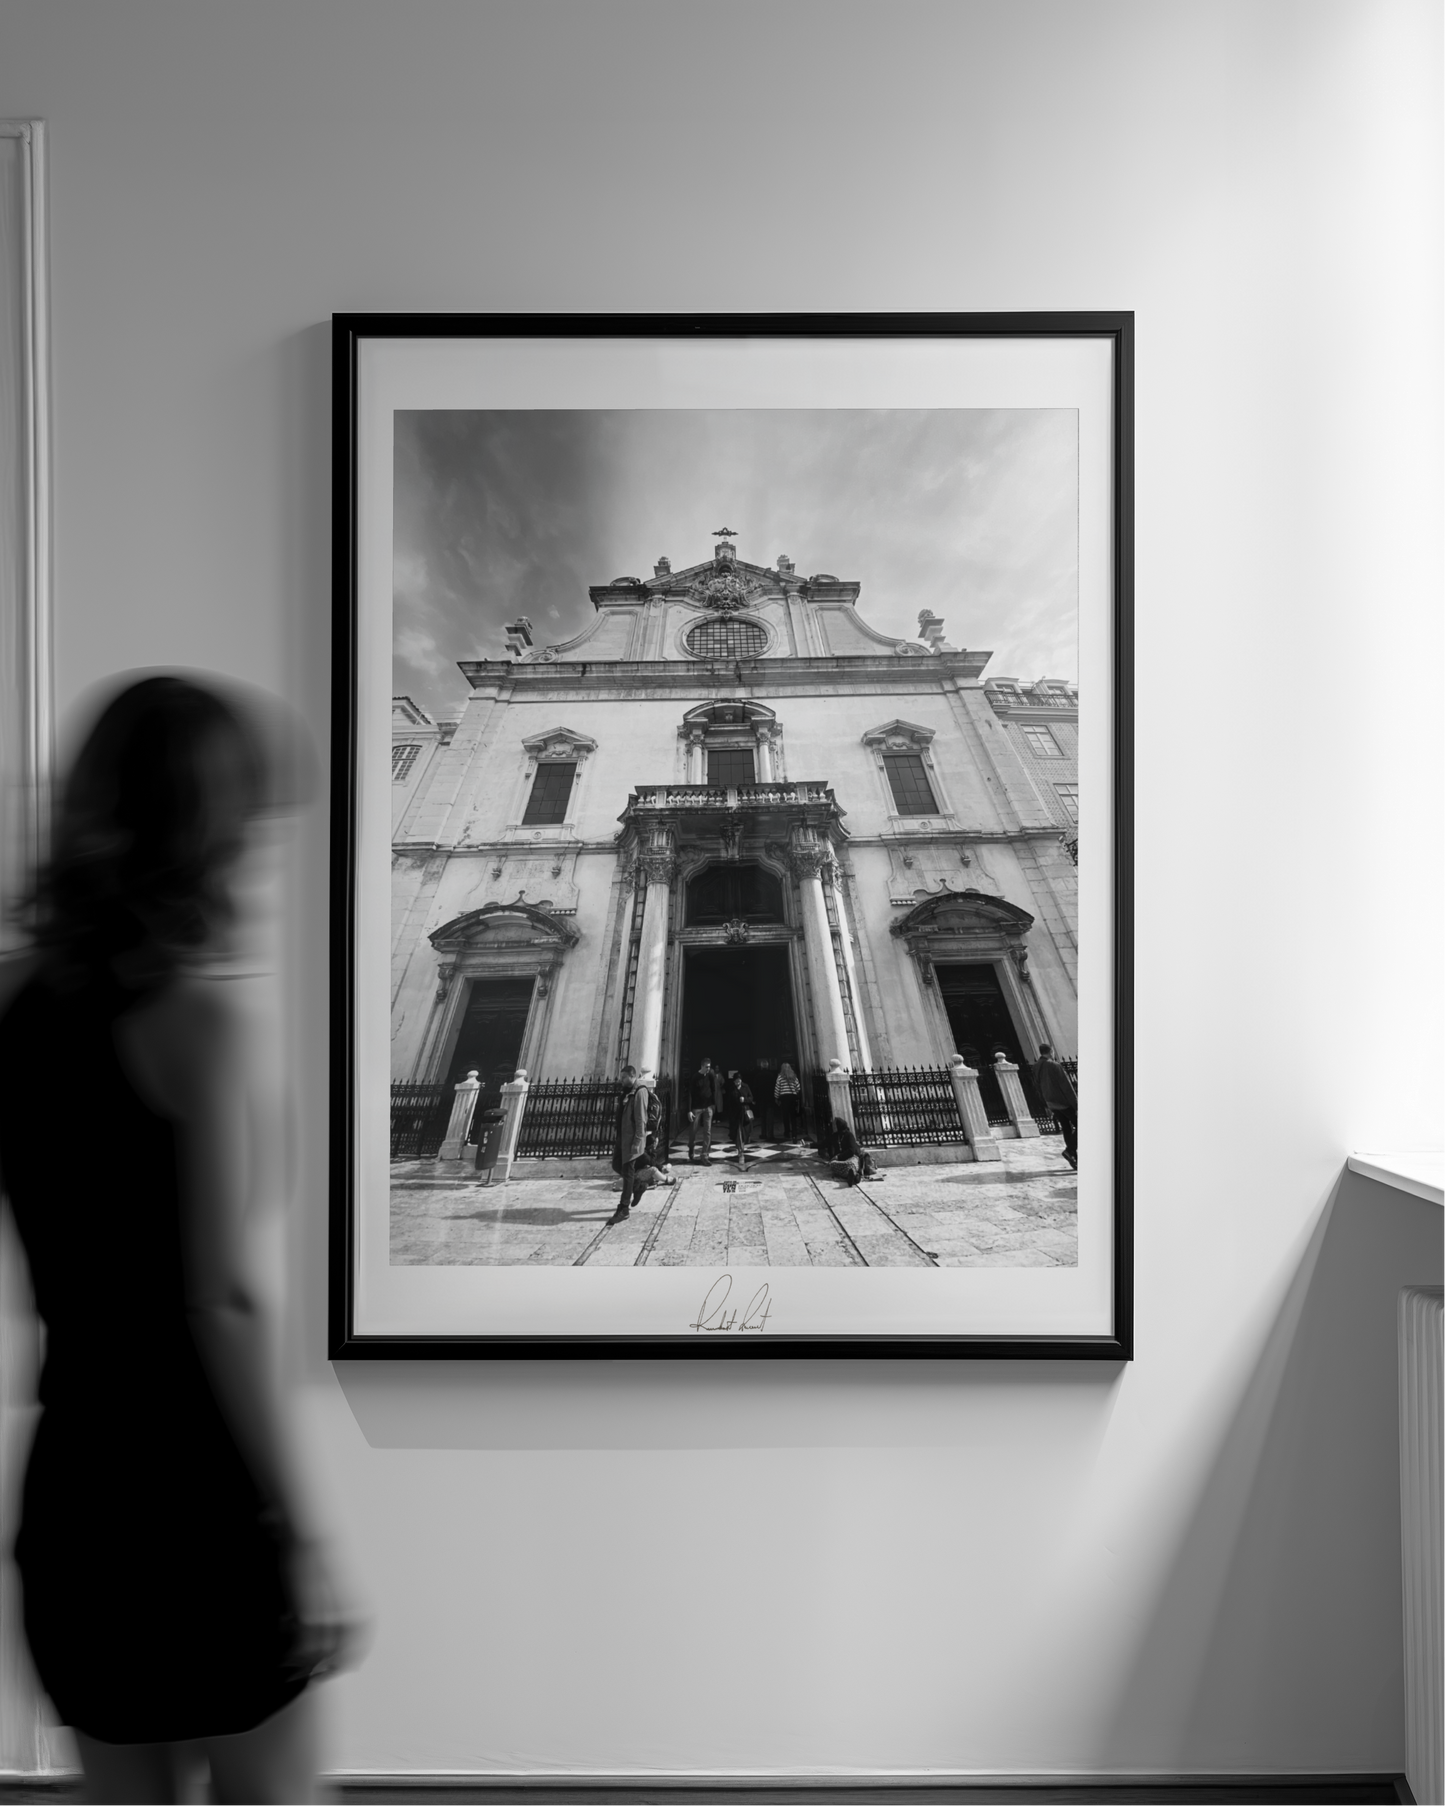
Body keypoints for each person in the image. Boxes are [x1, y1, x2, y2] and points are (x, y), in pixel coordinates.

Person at [0, 675, 360, 1806]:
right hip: (198, 1506)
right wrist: (302, 1534)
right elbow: (219, 1303)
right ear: (205, 827)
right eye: (247, 819)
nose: (257, 846)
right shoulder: (199, 1022)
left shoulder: (11, 1005)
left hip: (71, 1497)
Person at [609, 1064, 655, 1224]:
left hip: (631, 1140)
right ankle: (638, 1186)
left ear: (632, 1076)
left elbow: (641, 1119)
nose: (620, 1080)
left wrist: (637, 1141)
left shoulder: (640, 1091)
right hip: (622, 1138)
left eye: (623, 1078)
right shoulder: (627, 1092)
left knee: (628, 1172)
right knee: (616, 1165)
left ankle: (623, 1208)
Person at [1033, 1041, 1078, 1170]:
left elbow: (1036, 1086)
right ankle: (1070, 1151)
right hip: (1063, 1102)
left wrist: (1045, 1103)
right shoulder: (1054, 1065)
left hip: (1051, 1103)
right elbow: (1066, 1086)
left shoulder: (1036, 1066)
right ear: (1051, 1051)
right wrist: (1076, 1104)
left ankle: (1074, 1159)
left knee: (1066, 1128)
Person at [687, 1056, 723, 1164]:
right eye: (707, 1067)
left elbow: (713, 1089)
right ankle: (691, 1148)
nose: (708, 1069)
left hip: (708, 1107)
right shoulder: (695, 1077)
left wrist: (713, 1104)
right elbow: (690, 1094)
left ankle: (704, 1156)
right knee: (693, 1131)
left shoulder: (711, 1075)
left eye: (709, 1067)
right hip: (696, 1108)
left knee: (707, 1132)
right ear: (702, 1066)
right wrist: (689, 1110)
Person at [828, 1115, 878, 1186]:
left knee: (850, 1164)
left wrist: (838, 1156)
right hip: (842, 1161)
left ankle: (854, 1176)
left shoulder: (849, 1135)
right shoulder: (835, 1136)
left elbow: (852, 1150)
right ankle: (851, 1176)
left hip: (853, 1157)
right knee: (833, 1164)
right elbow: (824, 1143)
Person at [724, 1069, 756, 1171]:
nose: (738, 1082)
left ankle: (742, 1147)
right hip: (735, 1114)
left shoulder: (746, 1087)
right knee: (737, 1132)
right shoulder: (731, 1088)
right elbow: (728, 1101)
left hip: (744, 1113)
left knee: (744, 1131)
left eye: (739, 1080)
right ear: (734, 1081)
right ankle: (740, 1149)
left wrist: (744, 1100)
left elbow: (751, 1098)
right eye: (736, 1081)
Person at [772, 1061, 802, 1143]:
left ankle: (787, 1132)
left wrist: (776, 1097)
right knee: (793, 1117)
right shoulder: (794, 1077)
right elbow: (798, 1088)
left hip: (784, 1098)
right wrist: (794, 1092)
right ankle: (794, 1134)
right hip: (792, 1097)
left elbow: (777, 1088)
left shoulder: (780, 1077)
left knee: (785, 1116)